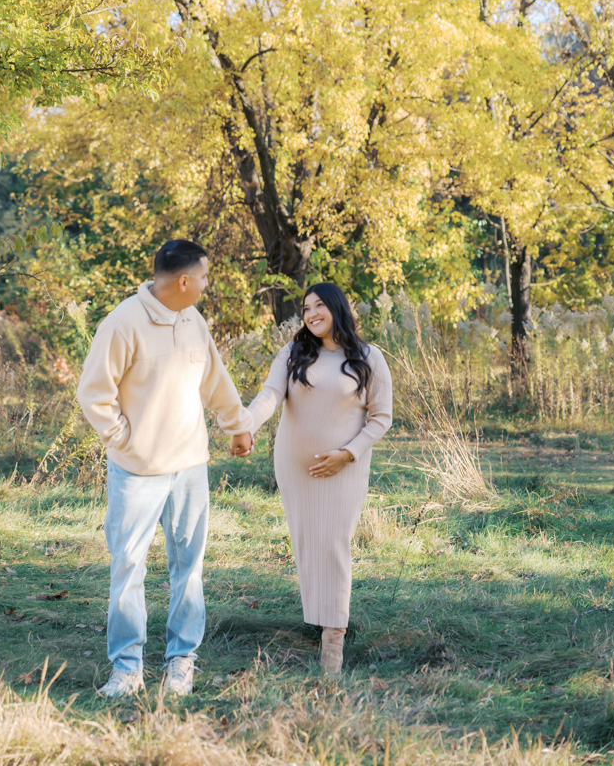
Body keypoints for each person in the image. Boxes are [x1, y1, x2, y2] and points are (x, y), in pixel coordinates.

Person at [77, 239, 254, 699]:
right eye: (205, 277)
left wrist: (237, 425)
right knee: (129, 566)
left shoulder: (193, 321)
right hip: (137, 471)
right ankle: (127, 669)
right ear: (183, 280)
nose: (207, 284)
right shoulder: (122, 325)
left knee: (188, 568)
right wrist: (124, 440)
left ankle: (181, 662)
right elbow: (93, 393)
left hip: (191, 467)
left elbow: (214, 377)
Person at [245, 282, 392, 674]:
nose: (311, 314)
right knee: (309, 545)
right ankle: (320, 619)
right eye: (306, 308)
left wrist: (346, 455)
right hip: (295, 470)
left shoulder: (368, 357)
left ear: (337, 308)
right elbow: (270, 395)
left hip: (344, 468)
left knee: (333, 545)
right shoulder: (293, 352)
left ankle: (332, 646)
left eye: (319, 306)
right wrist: (245, 424)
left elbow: (381, 418)